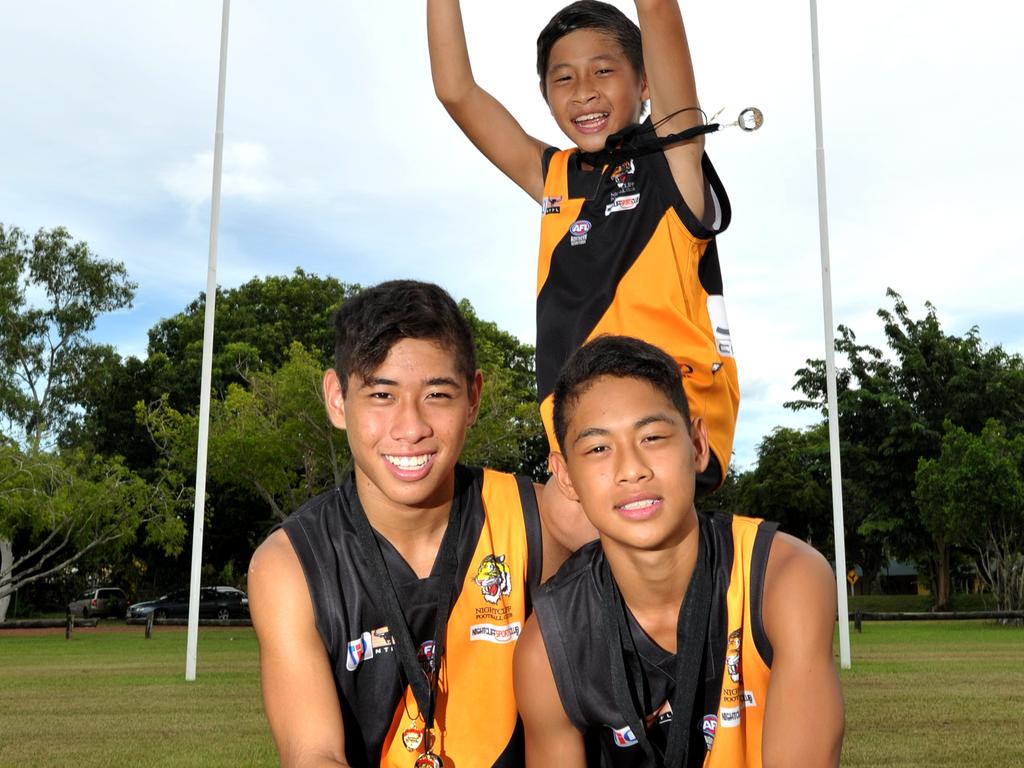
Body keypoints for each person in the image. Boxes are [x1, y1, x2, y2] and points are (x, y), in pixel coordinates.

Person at [248, 280, 571, 767]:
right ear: (338, 400)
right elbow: (312, 753)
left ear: (473, 398)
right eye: (381, 394)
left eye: (437, 394)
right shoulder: (290, 563)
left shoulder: (540, 520)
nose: (411, 427)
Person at [428, 0, 739, 492]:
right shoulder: (553, 175)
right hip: (578, 445)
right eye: (564, 78)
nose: (584, 92)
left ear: (644, 83)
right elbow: (456, 91)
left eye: (603, 70)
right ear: (545, 93)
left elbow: (656, 9)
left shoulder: (673, 157)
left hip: (667, 431)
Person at [513, 335, 844, 767]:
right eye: (598, 448)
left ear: (698, 444)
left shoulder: (783, 580)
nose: (631, 469)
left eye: (651, 437)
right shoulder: (548, 646)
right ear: (566, 476)